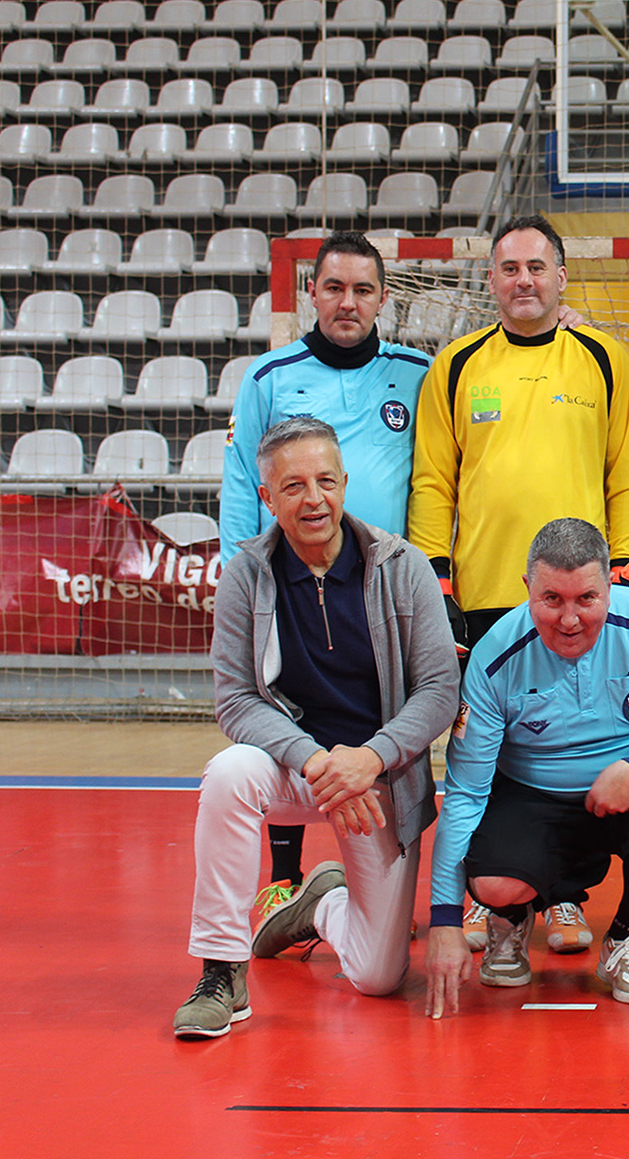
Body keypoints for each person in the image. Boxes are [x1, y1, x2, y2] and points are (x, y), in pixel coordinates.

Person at [408, 216, 629, 948]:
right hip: (486, 594)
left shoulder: (606, 359)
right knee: (484, 747)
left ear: (562, 276)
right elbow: (432, 484)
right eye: (509, 268)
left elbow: (628, 476)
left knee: (580, 738)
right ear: (491, 280)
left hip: (580, 601)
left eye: (537, 267)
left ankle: (565, 893)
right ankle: (491, 889)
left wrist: (628, 574)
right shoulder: (454, 365)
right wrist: (436, 585)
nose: (523, 280)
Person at [175, 417, 458, 1038]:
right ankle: (221, 970)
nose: (314, 500)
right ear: (267, 497)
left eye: (326, 481)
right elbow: (235, 701)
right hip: (299, 769)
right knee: (227, 775)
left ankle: (320, 905)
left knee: (379, 976)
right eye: (295, 486)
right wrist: (314, 759)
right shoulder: (245, 576)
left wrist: (372, 758)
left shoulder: (401, 566)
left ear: (345, 483)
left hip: (377, 779)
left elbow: (440, 689)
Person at [423, 518, 629, 1012]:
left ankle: (625, 940)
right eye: (552, 600)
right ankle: (510, 920)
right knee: (496, 884)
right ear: (527, 589)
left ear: (609, 586)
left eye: (586, 599)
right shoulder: (493, 658)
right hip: (535, 796)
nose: (569, 620)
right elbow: (465, 793)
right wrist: (442, 921)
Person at [219, 232, 433, 916]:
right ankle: (283, 875)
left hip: (378, 583)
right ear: (310, 292)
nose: (348, 302)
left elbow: (435, 475)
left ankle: (378, 872)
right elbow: (237, 481)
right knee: (285, 708)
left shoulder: (416, 372)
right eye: (334, 287)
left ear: (383, 298)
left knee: (382, 710)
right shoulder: (269, 375)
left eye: (363, 289)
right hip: (286, 579)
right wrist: (239, 575)